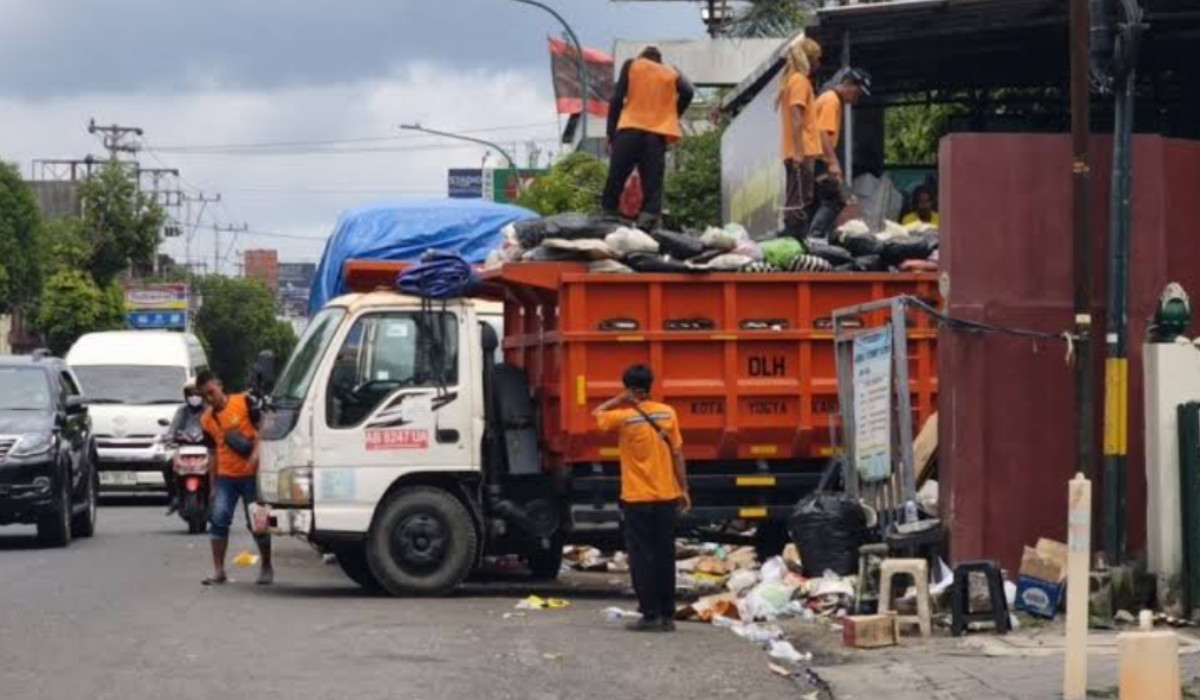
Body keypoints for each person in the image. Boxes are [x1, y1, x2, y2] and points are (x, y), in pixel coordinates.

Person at [594, 365, 689, 632]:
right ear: (652, 385)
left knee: (642, 557)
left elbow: (597, 414)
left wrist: (619, 399)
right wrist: (684, 489)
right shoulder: (668, 413)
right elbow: (678, 454)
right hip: (667, 495)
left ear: (627, 386)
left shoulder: (623, 417)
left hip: (637, 498)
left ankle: (650, 615)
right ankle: (668, 615)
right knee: (664, 554)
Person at [601, 46, 695, 231]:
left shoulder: (632, 65)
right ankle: (647, 225)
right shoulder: (670, 74)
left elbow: (617, 99)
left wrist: (611, 133)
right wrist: (671, 116)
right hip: (655, 135)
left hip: (629, 130)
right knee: (653, 186)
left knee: (616, 176)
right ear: (659, 61)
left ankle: (608, 216)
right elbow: (688, 92)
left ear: (642, 57)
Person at [196, 370, 273, 586]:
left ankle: (267, 566)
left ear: (220, 385)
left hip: (251, 475)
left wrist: (256, 455)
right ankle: (219, 571)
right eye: (205, 396)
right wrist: (212, 486)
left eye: (211, 392)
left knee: (258, 523)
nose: (209, 399)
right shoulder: (206, 420)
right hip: (226, 479)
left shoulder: (243, 401)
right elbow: (212, 453)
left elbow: (264, 426)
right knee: (218, 521)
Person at [809, 67, 872, 238]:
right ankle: (815, 237)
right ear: (848, 84)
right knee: (833, 200)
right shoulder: (832, 101)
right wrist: (833, 162)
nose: (857, 99)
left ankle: (815, 237)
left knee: (818, 202)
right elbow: (823, 134)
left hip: (815, 158)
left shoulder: (829, 98)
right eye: (857, 93)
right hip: (819, 159)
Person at [776, 38, 823, 239]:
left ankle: (794, 237)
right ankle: (795, 239)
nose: (819, 64)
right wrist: (798, 151)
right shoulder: (800, 81)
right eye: (817, 60)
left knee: (799, 197)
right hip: (802, 149)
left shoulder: (792, 80)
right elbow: (796, 117)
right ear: (810, 59)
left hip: (799, 149)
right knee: (800, 200)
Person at [163, 384, 206, 516]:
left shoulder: (208, 409)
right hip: (184, 448)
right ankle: (174, 497)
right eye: (191, 394)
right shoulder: (182, 410)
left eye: (197, 393)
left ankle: (217, 497)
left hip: (205, 448)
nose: (195, 397)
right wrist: (169, 437)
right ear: (186, 396)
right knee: (167, 466)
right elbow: (173, 427)